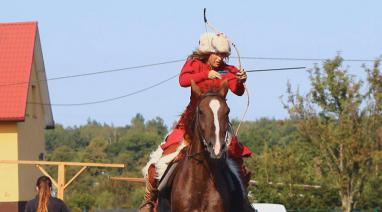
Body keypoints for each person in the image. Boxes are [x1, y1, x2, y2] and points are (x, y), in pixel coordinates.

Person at [139, 32, 252, 212]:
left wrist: (241, 81)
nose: (220, 59)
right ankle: (150, 199)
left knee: (237, 164)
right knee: (162, 159)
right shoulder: (194, 63)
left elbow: (237, 90)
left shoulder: (228, 70)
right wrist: (207, 74)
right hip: (191, 122)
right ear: (207, 52)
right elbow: (183, 80)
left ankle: (243, 202)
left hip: (218, 123)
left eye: (223, 55)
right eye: (217, 54)